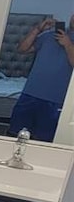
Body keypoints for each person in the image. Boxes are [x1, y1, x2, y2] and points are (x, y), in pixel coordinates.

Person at [8, 13, 74, 141]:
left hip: (56, 101)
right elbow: (22, 49)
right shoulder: (49, 35)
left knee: (43, 141)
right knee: (14, 135)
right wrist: (38, 29)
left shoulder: (67, 42)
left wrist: (67, 44)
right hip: (30, 94)